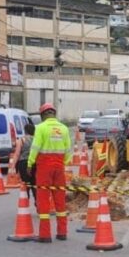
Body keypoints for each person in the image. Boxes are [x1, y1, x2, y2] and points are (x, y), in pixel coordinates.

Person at [27, 103, 72, 242]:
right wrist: (62, 163)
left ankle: (45, 235)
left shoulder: (40, 128)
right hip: (59, 168)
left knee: (43, 201)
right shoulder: (64, 129)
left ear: (43, 115)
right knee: (60, 201)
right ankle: (62, 233)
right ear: (54, 114)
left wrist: (30, 163)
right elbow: (68, 151)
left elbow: (35, 147)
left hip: (44, 168)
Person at [14, 123, 36, 203]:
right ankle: (37, 202)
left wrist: (13, 166)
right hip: (34, 163)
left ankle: (25, 202)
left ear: (25, 131)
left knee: (25, 184)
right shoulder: (36, 139)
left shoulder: (21, 140)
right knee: (34, 183)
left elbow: (17, 154)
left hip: (23, 164)